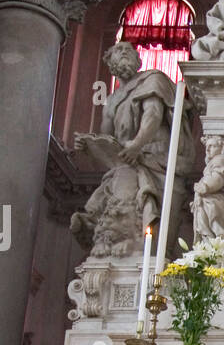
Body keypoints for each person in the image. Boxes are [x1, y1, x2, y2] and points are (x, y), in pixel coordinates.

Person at [71, 41, 193, 256]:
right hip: (127, 163)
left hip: (158, 159)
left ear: (138, 59)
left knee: (158, 235)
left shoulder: (153, 79)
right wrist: (89, 146)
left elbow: (153, 114)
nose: (125, 52)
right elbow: (107, 138)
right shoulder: (112, 101)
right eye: (119, 50)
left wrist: (137, 145)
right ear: (110, 64)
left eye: (129, 50)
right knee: (121, 211)